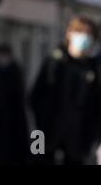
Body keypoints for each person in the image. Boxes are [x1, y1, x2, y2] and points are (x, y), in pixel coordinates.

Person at [30, 16, 101, 165]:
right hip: (45, 134)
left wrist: (92, 137)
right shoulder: (54, 62)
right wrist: (38, 132)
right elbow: (36, 97)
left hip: (78, 140)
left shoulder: (94, 68)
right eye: (81, 33)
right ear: (70, 34)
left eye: (89, 34)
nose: (85, 38)